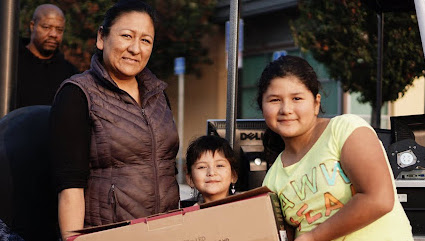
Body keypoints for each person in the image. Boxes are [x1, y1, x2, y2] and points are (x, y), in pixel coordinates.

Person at [49, 1, 179, 240]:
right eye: (127, 36)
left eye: (145, 40)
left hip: (165, 231)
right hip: (110, 234)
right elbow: (70, 188)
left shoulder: (158, 95)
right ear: (102, 37)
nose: (135, 48)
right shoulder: (77, 94)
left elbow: (168, 169)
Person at [259, 55, 413, 241]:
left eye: (297, 98)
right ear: (262, 107)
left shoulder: (345, 129)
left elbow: (379, 199)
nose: (286, 109)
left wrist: (313, 237)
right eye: (275, 100)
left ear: (316, 103)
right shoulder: (272, 178)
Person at [16, 4, 78, 109]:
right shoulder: (11, 63)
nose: (53, 34)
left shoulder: (70, 74)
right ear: (32, 26)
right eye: (46, 27)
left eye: (59, 29)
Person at [185, 135, 238, 204]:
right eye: (202, 167)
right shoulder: (188, 214)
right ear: (190, 179)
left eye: (219, 165)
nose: (211, 173)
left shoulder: (248, 208)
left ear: (233, 175)